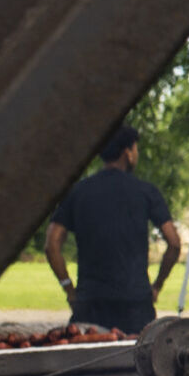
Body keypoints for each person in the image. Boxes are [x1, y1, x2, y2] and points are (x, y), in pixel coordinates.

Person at [45, 125, 180, 335]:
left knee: (89, 361)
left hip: (90, 303)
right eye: (135, 149)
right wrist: (157, 286)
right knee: (137, 363)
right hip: (136, 304)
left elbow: (52, 244)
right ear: (128, 153)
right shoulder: (146, 192)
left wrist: (69, 290)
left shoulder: (79, 191)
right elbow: (174, 242)